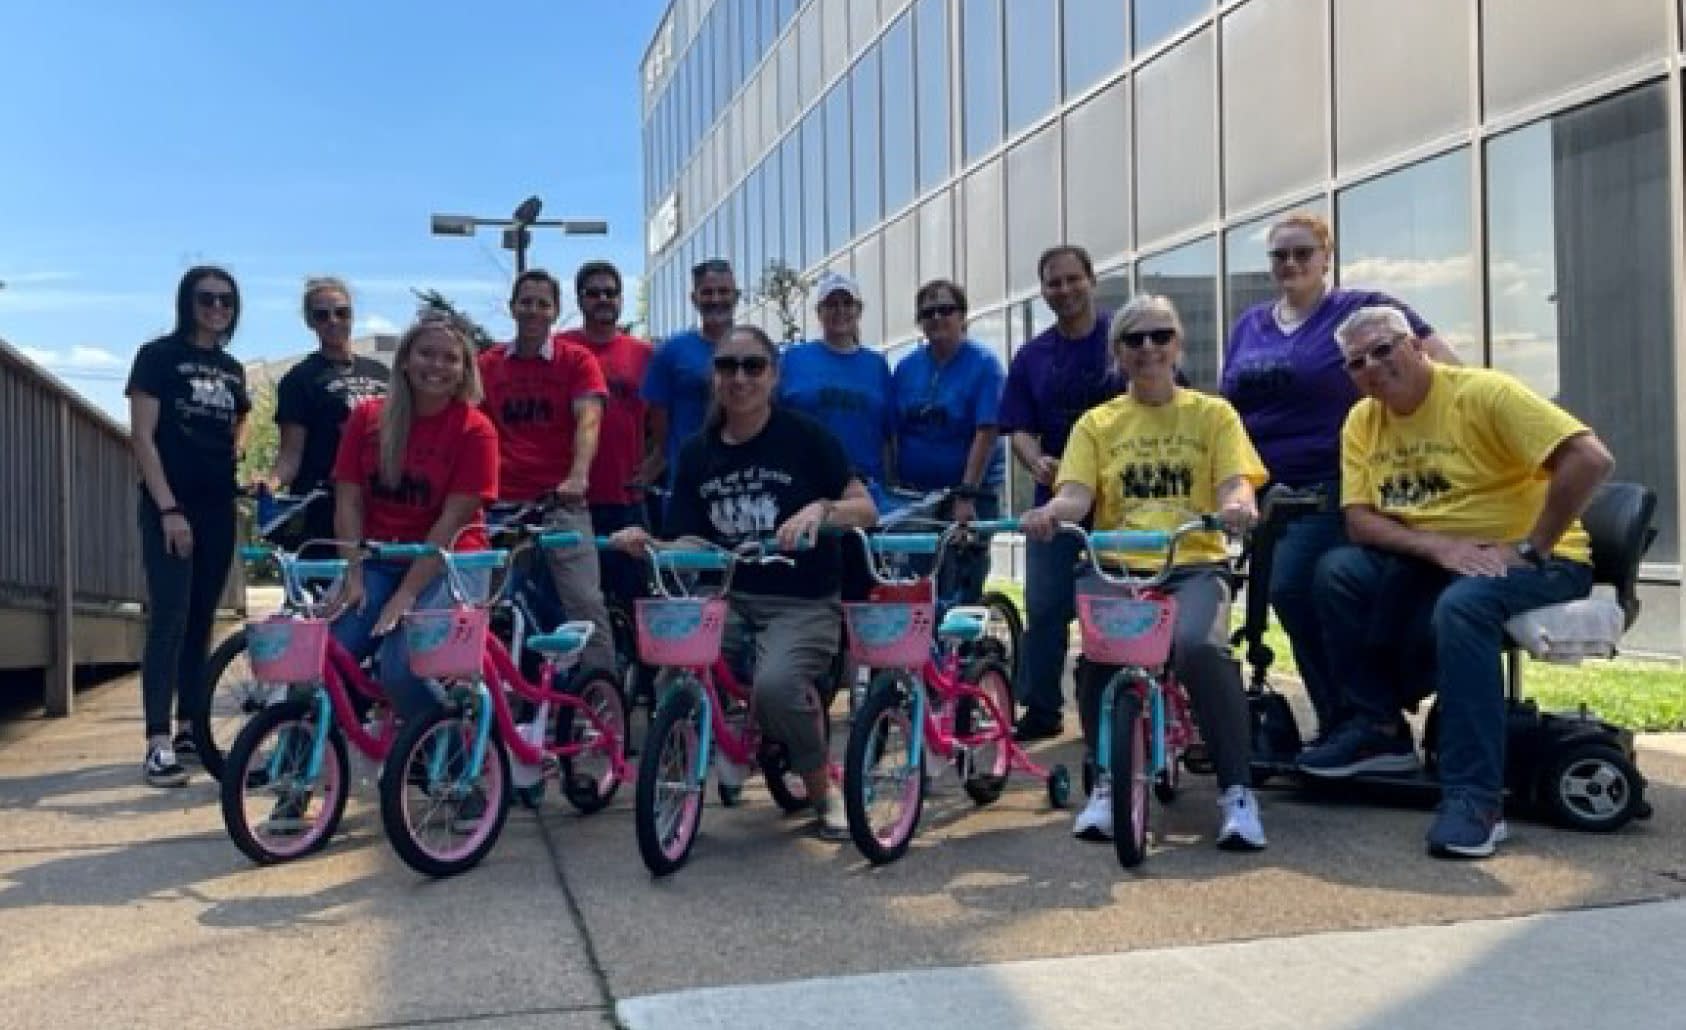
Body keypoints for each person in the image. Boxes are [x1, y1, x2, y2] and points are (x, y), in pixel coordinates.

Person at [1298, 306, 1613, 859]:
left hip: (1538, 559)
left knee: (1463, 607)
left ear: (1417, 346)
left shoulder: (1485, 394)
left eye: (1384, 348)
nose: (1373, 366)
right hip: (1436, 557)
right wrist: (1439, 546)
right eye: (1356, 362)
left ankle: (1476, 799)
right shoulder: (1362, 421)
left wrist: (1532, 546)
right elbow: (1361, 520)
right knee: (1337, 572)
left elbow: (1589, 458)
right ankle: (1377, 729)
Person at [1020, 295, 1269, 851]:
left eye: (1160, 336)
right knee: (1102, 661)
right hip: (1118, 567)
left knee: (1200, 650)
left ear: (1178, 345)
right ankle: (1107, 783)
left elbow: (1235, 480)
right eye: (1135, 340)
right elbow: (1076, 495)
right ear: (1118, 354)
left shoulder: (1212, 414)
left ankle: (1236, 790)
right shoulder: (1098, 423)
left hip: (1193, 561)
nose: (1149, 349)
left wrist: (1238, 504)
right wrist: (1048, 514)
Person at [611, 325, 878, 841]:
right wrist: (651, 545)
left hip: (802, 600)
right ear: (714, 377)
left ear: (773, 375)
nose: (739, 377)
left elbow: (865, 509)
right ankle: (698, 765)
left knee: (775, 689)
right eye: (727, 366)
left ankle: (824, 793)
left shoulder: (806, 437)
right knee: (675, 668)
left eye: (753, 365)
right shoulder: (696, 452)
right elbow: (690, 541)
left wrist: (820, 510)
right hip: (731, 598)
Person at [1220, 211, 1459, 740]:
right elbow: (1227, 410)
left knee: (1297, 588)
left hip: (1331, 483)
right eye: (1280, 255)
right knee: (1284, 599)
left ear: (1327, 256)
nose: (1291, 263)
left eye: (1303, 252)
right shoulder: (1250, 325)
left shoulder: (1361, 311)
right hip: (1264, 496)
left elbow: (1443, 368)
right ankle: (1347, 719)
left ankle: (1365, 718)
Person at [329, 312, 500, 722]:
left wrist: (405, 596)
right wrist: (352, 573)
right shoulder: (368, 418)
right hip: (379, 557)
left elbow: (453, 520)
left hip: (450, 562)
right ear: (405, 359)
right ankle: (344, 748)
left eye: (449, 358)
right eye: (426, 354)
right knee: (332, 652)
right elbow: (348, 500)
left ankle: (445, 755)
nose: (436, 366)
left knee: (402, 667)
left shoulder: (476, 430)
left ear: (464, 371)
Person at [125, 266, 252, 786]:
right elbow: (143, 438)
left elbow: (241, 417)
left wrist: (237, 450)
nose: (216, 308)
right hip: (170, 507)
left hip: (218, 505)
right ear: (187, 301)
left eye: (225, 301)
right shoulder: (157, 357)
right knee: (170, 618)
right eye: (206, 299)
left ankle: (188, 729)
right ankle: (157, 741)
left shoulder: (231, 368)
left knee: (203, 618)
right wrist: (169, 509)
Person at [999, 245, 1123, 742]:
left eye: (1074, 279)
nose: (1065, 290)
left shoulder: (1125, 339)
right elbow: (1018, 428)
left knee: (1113, 603)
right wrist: (1034, 460)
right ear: (1044, 290)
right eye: (1054, 283)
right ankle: (1042, 705)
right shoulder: (1032, 357)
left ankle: (1114, 702)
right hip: (1056, 498)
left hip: (1122, 501)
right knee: (1046, 605)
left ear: (1092, 279)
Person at [477, 269, 616, 673]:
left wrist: (578, 475)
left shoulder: (575, 360)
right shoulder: (487, 365)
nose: (533, 311)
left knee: (584, 601)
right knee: (484, 601)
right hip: (501, 505)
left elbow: (588, 419)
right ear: (512, 307)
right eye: (526, 302)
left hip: (559, 501)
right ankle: (496, 697)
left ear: (555, 311)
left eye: (543, 303)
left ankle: (602, 697)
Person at [777, 270, 895, 606]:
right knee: (807, 589)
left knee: (858, 591)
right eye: (831, 304)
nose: (840, 310)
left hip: (861, 492)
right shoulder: (794, 360)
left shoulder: (876, 365)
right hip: (805, 489)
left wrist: (888, 484)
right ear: (819, 313)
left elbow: (888, 436)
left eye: (847, 303)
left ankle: (849, 659)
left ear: (859, 310)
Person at [890, 279, 1006, 606]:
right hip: (916, 498)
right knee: (915, 585)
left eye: (946, 309)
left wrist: (967, 494)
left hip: (969, 495)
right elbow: (893, 432)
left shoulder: (983, 365)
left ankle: (968, 653)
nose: (937, 317)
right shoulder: (906, 367)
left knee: (959, 587)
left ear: (963, 317)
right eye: (928, 312)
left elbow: (986, 431)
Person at [556, 260, 653, 612]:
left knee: (635, 599)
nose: (603, 299)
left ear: (621, 299)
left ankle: (637, 668)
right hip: (570, 500)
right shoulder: (560, 349)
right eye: (593, 292)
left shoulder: (643, 354)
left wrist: (654, 465)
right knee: (575, 601)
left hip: (625, 496)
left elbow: (660, 418)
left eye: (610, 292)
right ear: (580, 300)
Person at [269, 276, 389, 544]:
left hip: (380, 500)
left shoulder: (382, 373)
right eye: (322, 315)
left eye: (341, 312)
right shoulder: (300, 379)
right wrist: (271, 484)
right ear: (310, 322)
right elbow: (290, 453)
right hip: (325, 502)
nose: (333, 321)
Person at [640, 257, 739, 525]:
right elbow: (659, 418)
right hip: (687, 479)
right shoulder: (671, 352)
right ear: (694, 298)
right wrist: (669, 455)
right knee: (683, 560)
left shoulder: (756, 349)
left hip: (744, 479)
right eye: (707, 292)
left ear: (737, 296)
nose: (715, 299)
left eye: (723, 292)